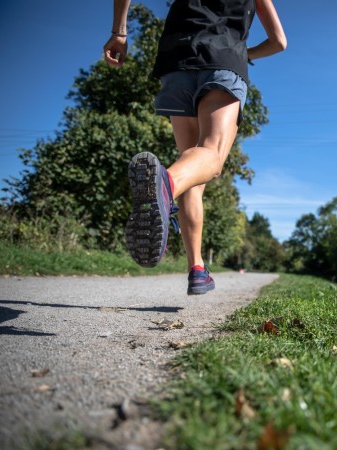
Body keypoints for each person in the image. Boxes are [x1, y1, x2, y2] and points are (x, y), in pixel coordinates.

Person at [103, 0, 286, 295]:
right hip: (224, 61)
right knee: (210, 157)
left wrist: (119, 33)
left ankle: (197, 268)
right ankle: (164, 186)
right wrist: (244, 53)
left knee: (192, 168)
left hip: (177, 61)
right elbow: (279, 41)